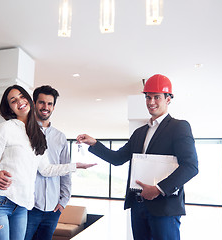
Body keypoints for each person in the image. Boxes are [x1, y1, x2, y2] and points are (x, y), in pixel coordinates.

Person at [76, 74, 198, 240]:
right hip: (138, 206)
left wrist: (158, 189)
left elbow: (190, 166)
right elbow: (117, 158)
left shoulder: (179, 127)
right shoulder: (139, 133)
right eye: (148, 97)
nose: (151, 102)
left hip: (164, 207)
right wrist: (94, 143)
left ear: (168, 99)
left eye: (157, 97)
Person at [0, 85, 95, 240]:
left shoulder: (37, 135)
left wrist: (75, 166)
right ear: (10, 108)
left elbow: (45, 169)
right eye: (13, 100)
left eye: (21, 96)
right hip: (0, 202)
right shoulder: (4, 129)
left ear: (28, 100)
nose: (19, 101)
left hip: (22, 207)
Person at [0, 85, 72, 240]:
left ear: (53, 107)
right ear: (33, 103)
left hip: (53, 209)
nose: (45, 107)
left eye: (49, 104)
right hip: (26, 205)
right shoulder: (17, 130)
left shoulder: (60, 138)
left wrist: (63, 201)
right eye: (41, 102)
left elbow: (63, 171)